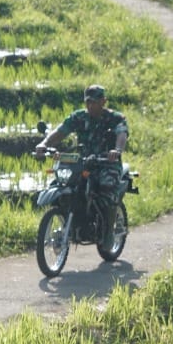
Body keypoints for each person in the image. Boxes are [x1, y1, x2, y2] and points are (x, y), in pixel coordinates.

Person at [34, 85, 129, 250]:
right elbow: (60, 132)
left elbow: (121, 135)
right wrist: (44, 144)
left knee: (106, 186)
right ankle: (71, 222)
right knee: (61, 183)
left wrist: (116, 151)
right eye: (88, 102)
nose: (91, 106)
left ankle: (108, 232)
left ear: (103, 101)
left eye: (95, 102)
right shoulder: (78, 117)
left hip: (106, 163)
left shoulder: (115, 118)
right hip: (83, 162)